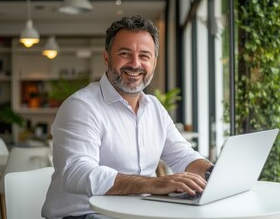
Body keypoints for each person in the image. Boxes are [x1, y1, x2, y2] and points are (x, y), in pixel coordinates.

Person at [42, 15, 213, 219]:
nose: (135, 64)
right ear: (107, 57)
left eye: (144, 56)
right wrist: (155, 184)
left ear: (154, 62)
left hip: (138, 212)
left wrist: (215, 174)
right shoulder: (81, 106)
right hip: (84, 214)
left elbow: (183, 156)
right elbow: (77, 172)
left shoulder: (154, 108)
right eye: (125, 53)